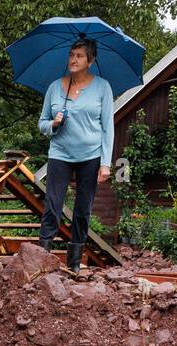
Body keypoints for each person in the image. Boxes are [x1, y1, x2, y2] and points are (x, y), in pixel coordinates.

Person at [36, 38, 114, 273]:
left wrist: (106, 163)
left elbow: (107, 127)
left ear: (90, 61)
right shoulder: (54, 87)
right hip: (60, 153)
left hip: (90, 155)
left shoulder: (102, 87)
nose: (73, 59)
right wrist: (54, 123)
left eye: (79, 55)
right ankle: (42, 259)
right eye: (71, 54)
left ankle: (74, 262)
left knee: (83, 209)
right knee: (53, 205)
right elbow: (41, 124)